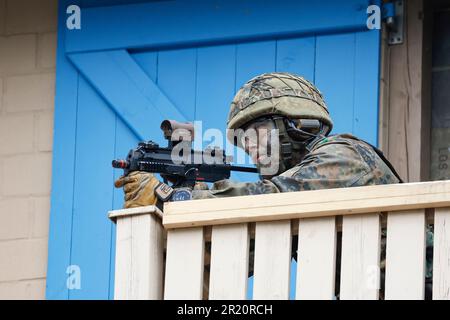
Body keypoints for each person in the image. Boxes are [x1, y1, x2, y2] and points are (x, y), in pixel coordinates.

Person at [115, 72, 409, 299]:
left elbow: (276, 196)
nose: (250, 148)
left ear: (297, 124)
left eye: (256, 134)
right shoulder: (287, 205)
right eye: (244, 141)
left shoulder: (346, 155)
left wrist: (174, 197)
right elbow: (235, 256)